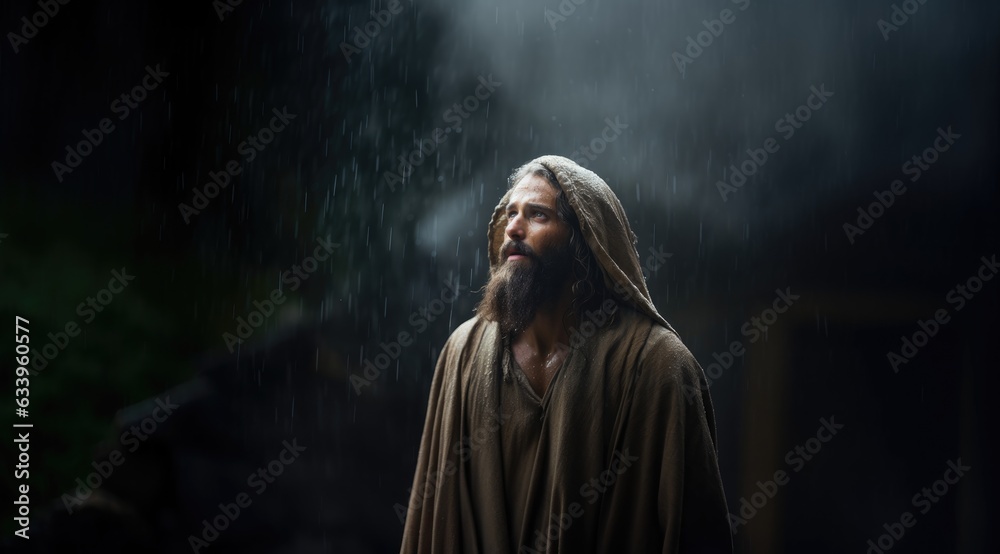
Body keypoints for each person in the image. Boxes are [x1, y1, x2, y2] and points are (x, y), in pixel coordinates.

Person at [400, 155, 732, 553]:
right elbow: (432, 519)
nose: (514, 228)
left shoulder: (656, 365)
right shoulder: (464, 353)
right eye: (511, 214)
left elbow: (695, 532)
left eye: (537, 215)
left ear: (584, 241)